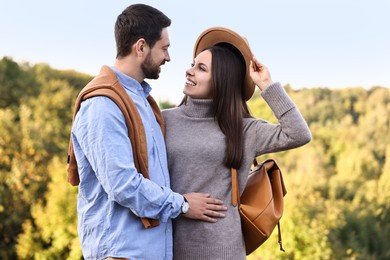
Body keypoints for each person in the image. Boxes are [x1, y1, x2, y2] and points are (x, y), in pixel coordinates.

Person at [69, 6, 226, 260]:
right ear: (141, 47)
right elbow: (123, 185)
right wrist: (183, 204)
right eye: (164, 48)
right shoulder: (103, 105)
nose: (168, 57)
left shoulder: (143, 101)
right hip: (122, 254)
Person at [162, 27, 312, 259]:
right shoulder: (163, 120)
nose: (189, 71)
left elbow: (298, 133)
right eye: (193, 64)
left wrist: (267, 85)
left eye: (201, 68)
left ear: (222, 80)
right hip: (168, 249)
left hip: (225, 251)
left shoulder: (243, 129)